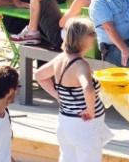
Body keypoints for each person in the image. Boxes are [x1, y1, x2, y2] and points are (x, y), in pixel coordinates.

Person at [35, 18, 112, 162]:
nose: (94, 36)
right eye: (91, 33)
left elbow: (39, 75)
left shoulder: (61, 59)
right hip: (84, 126)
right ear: (84, 39)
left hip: (65, 121)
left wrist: (58, 96)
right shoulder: (81, 65)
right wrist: (90, 111)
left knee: (67, 158)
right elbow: (88, 89)